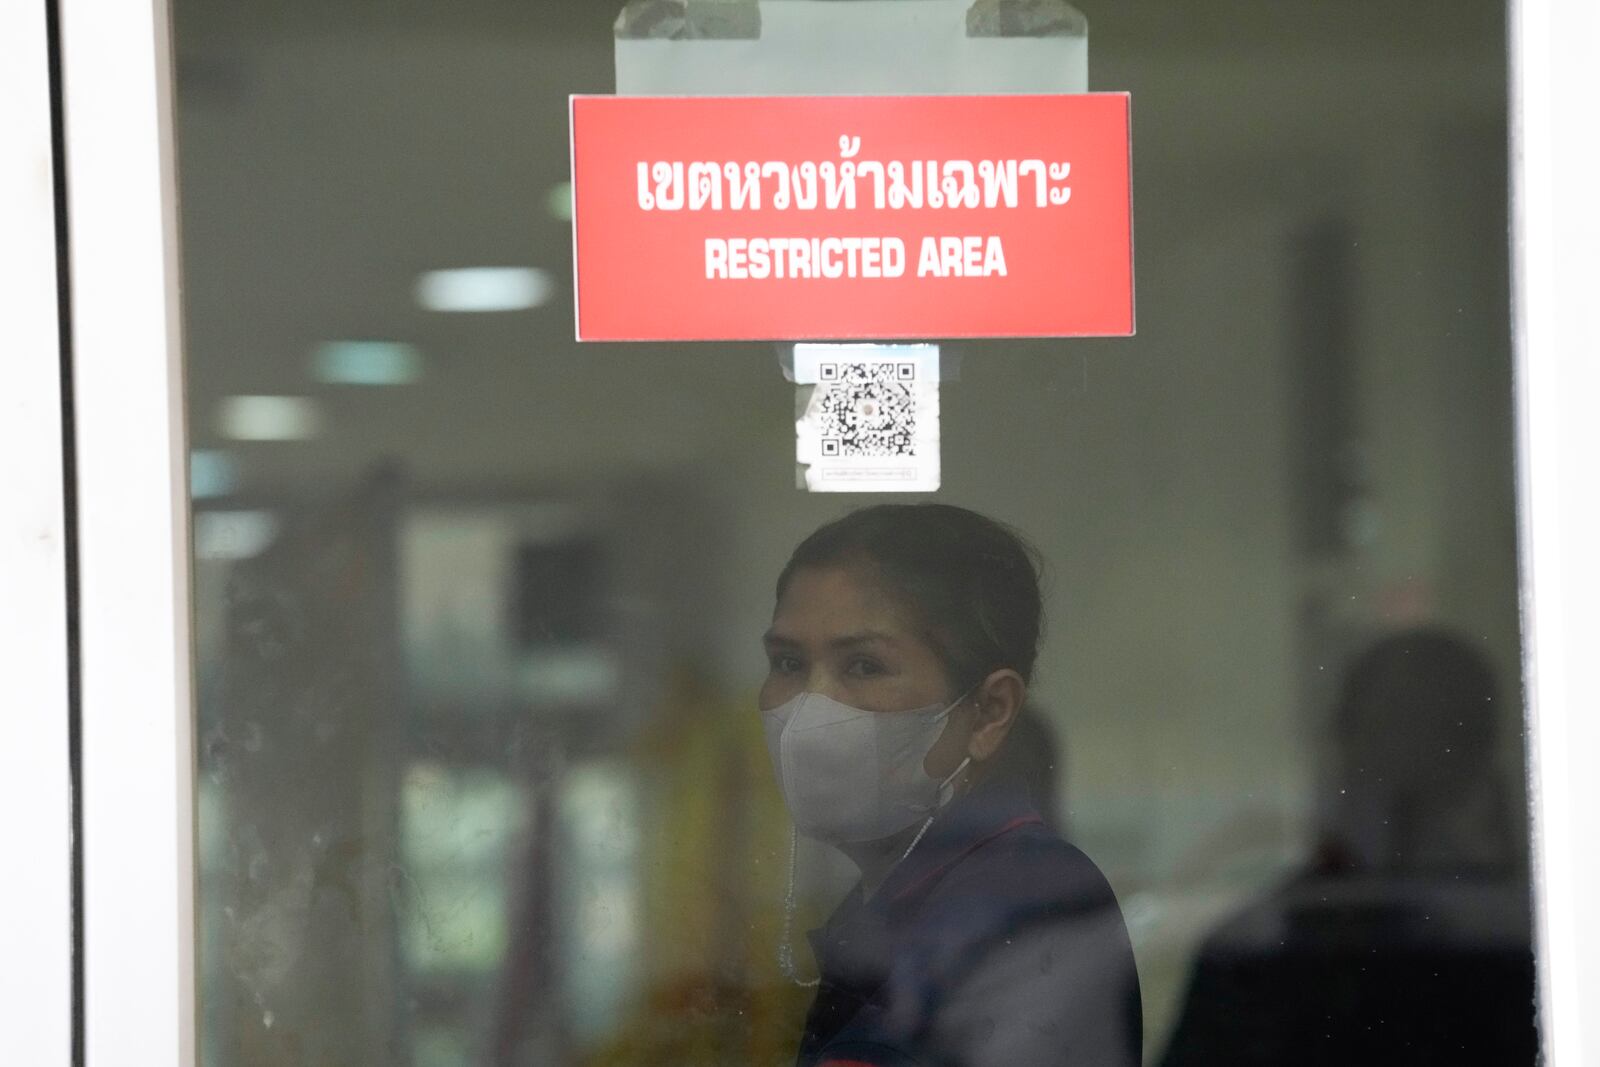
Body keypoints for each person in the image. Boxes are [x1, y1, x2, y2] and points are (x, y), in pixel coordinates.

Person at [759, 503, 1142, 1067]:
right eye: (788, 662)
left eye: (864, 666)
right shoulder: (898, 894)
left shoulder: (1024, 904)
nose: (806, 717)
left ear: (989, 712)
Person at [1159, 627, 1536, 1066]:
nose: (1413, 759)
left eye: (1443, 728)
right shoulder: (1261, 949)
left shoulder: (1527, 938)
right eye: (1395, 726)